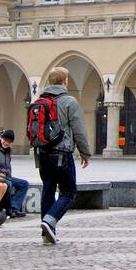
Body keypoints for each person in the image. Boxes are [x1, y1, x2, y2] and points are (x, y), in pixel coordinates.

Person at [34, 67, 91, 244]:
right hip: (62, 153)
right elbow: (79, 130)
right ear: (65, 81)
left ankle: (47, 234)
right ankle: (50, 221)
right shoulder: (69, 101)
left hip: (42, 153)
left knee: (48, 190)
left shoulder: (39, 100)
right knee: (69, 192)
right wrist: (85, 152)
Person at [0, 130, 30, 218]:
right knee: (9, 184)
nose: (6, 143)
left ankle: (14, 208)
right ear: (1, 138)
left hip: (6, 176)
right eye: (5, 140)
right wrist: (0, 171)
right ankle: (7, 209)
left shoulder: (8, 150)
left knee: (24, 184)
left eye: (9, 142)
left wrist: (6, 173)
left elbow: (7, 166)